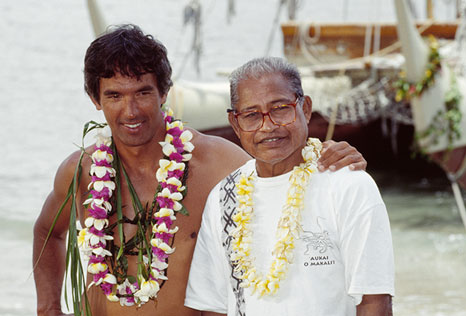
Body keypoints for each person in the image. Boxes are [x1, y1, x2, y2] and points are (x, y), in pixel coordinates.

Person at [32, 24, 367, 316]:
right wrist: (47, 308)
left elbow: (285, 184)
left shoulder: (218, 163)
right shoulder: (81, 171)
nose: (130, 110)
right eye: (114, 95)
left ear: (164, 92)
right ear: (95, 98)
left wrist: (326, 156)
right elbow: (48, 232)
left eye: (143, 92)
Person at [185, 57, 394, 316]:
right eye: (251, 115)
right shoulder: (224, 198)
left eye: (280, 108)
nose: (269, 126)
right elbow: (212, 307)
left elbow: (375, 302)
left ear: (305, 108)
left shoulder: (348, 184)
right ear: (235, 123)